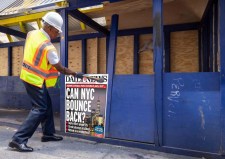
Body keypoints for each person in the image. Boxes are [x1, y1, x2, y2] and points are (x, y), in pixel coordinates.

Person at [8, 12, 84, 152]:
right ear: (49, 28)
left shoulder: (32, 34)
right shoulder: (48, 47)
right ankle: (18, 140)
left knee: (46, 104)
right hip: (34, 79)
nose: (57, 34)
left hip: (28, 74)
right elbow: (60, 67)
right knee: (40, 108)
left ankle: (48, 134)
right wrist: (74, 73)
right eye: (56, 31)